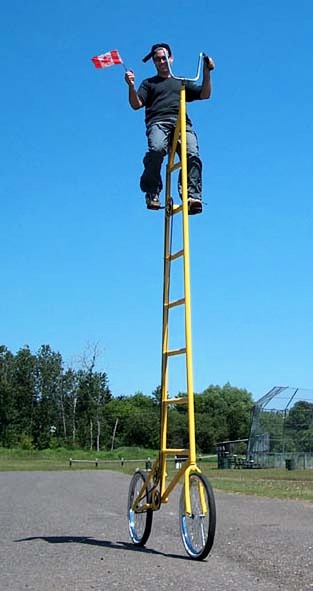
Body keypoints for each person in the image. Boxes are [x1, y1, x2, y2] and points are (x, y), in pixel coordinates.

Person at [124, 43, 215, 214]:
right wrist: (130, 86)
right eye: (157, 59)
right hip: (159, 122)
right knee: (157, 149)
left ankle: (192, 195)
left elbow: (205, 94)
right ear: (154, 63)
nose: (161, 61)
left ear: (171, 59)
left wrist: (207, 72)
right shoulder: (149, 84)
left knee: (192, 154)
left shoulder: (180, 82)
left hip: (181, 123)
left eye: (164, 57)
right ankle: (152, 191)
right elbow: (136, 104)